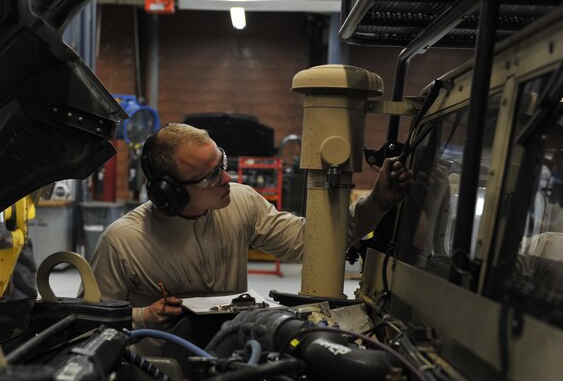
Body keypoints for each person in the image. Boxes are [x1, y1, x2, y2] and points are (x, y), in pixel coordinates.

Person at [89, 123, 413, 354]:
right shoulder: (123, 241)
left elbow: (308, 242)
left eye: (222, 163)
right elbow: (86, 323)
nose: (227, 178)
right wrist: (142, 317)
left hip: (235, 356)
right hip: (162, 371)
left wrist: (377, 203)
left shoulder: (241, 202)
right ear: (169, 192)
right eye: (212, 175)